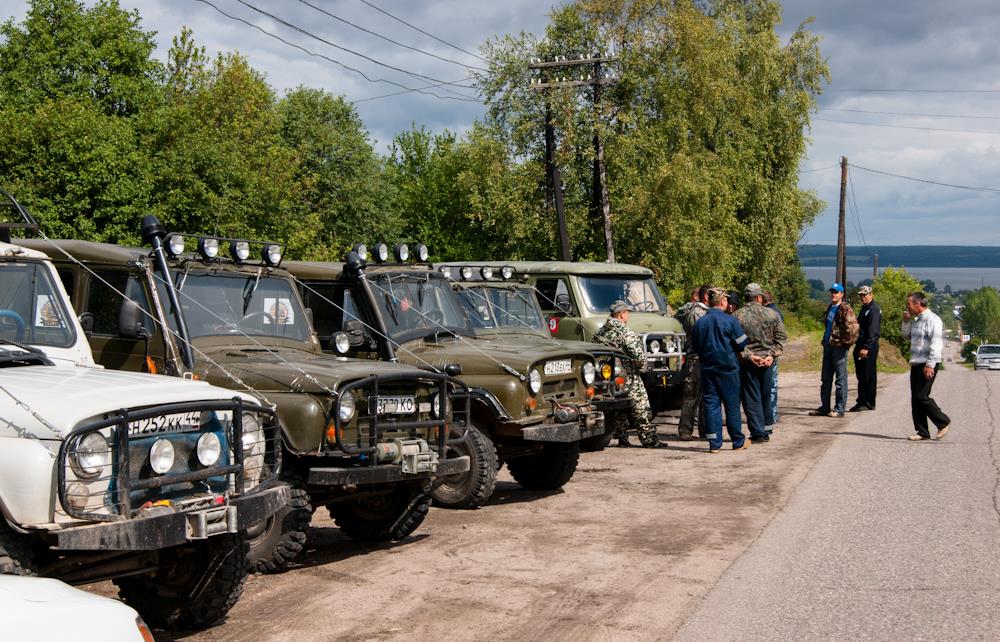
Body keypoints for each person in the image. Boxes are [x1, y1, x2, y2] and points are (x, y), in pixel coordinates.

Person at [593, 300, 665, 448]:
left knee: (617, 406)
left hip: (607, 377)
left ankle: (622, 437)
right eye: (627, 313)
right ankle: (648, 439)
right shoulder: (626, 332)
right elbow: (638, 356)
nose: (629, 316)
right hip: (628, 375)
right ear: (621, 314)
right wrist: (640, 368)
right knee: (641, 407)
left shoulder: (600, 333)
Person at [689, 288, 749, 453]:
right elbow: (742, 343)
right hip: (728, 369)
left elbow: (694, 346)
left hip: (708, 369)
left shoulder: (700, 322)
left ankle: (714, 444)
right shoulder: (730, 321)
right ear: (723, 302)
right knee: (732, 406)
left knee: (711, 405)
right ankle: (737, 441)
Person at [734, 283, 787, 443]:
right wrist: (771, 355)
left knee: (751, 397)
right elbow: (781, 338)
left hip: (748, 362)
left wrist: (749, 356)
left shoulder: (737, 316)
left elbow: (735, 342)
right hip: (767, 361)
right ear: (759, 297)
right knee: (766, 394)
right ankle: (767, 427)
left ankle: (757, 432)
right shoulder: (772, 314)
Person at [901, 291, 951, 440]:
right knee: (915, 399)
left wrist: (930, 364)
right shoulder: (916, 320)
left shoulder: (933, 319)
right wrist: (906, 322)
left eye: (909, 304)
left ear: (917, 304)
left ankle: (943, 422)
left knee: (922, 396)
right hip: (916, 362)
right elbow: (905, 336)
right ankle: (922, 431)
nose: (907, 307)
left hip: (928, 363)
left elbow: (936, 344)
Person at [810, 283, 858, 418]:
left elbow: (854, 329)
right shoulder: (831, 307)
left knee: (840, 379)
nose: (833, 294)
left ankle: (839, 408)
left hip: (839, 348)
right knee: (825, 379)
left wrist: (845, 344)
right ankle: (825, 407)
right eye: (832, 292)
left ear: (842, 294)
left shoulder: (845, 309)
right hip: (828, 346)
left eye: (836, 292)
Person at [675, 285, 711, 441]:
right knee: (692, 395)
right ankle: (685, 430)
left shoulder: (707, 312)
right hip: (696, 358)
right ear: (705, 297)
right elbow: (699, 337)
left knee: (705, 396)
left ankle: (705, 430)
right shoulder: (696, 313)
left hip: (705, 358)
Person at [850, 285, 881, 412]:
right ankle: (862, 400)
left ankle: (867, 402)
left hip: (868, 346)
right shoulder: (865, 309)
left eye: (865, 295)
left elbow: (873, 331)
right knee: (862, 374)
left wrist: (866, 347)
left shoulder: (874, 309)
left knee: (867, 375)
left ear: (871, 295)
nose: (863, 297)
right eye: (861, 295)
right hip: (861, 344)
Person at [763, 290, 783, 423]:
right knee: (772, 385)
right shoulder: (777, 312)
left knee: (768, 385)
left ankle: (770, 414)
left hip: (767, 351)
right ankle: (772, 413)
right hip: (773, 351)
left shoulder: (768, 313)